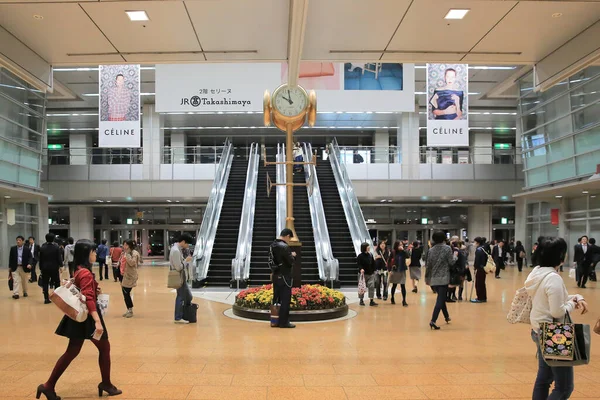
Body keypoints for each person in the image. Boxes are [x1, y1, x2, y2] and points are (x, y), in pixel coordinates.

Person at [37, 239, 121, 399]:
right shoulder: (85, 273)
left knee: (72, 350)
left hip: (78, 317)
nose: (95, 254)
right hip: (88, 317)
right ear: (86, 254)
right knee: (104, 348)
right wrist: (97, 320)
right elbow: (89, 299)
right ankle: (106, 383)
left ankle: (48, 386)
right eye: (93, 252)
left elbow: (85, 291)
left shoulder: (79, 270)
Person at [525, 236, 588, 400]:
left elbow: (558, 298)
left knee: (544, 379)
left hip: (539, 330)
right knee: (564, 387)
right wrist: (574, 304)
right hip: (555, 335)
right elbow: (558, 312)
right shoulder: (553, 278)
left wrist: (577, 297)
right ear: (560, 255)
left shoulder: (537, 273)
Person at [424, 231, 456, 330]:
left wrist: (427, 278)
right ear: (443, 239)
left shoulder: (431, 250)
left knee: (441, 298)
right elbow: (451, 262)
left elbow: (428, 265)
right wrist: (455, 256)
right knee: (440, 299)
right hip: (443, 278)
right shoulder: (447, 249)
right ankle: (433, 320)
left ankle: (446, 316)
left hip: (433, 278)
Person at [270, 228, 297, 328]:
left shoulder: (273, 245)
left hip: (275, 275)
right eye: (289, 239)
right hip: (285, 276)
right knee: (285, 299)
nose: (289, 241)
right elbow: (290, 262)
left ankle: (274, 320)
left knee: (276, 298)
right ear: (287, 236)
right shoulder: (284, 247)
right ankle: (283, 322)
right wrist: (293, 255)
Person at [170, 234, 194, 324]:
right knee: (181, 296)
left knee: (186, 296)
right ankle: (178, 317)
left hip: (181, 276)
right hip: (178, 276)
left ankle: (182, 314)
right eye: (187, 244)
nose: (188, 246)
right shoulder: (175, 250)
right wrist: (186, 261)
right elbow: (178, 267)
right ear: (183, 241)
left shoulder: (177, 249)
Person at [38, 233, 62, 304]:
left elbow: (40, 259)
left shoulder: (43, 247)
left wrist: (40, 267)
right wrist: (61, 265)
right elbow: (59, 257)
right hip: (54, 268)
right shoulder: (56, 247)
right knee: (57, 282)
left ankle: (46, 298)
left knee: (45, 283)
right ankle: (56, 297)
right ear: (53, 239)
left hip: (45, 268)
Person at [121, 239, 140, 318]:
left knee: (126, 292)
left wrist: (127, 255)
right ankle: (129, 309)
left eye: (125, 244)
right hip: (125, 275)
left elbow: (132, 263)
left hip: (130, 276)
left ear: (128, 245)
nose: (123, 246)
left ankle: (130, 310)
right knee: (125, 293)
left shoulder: (133, 253)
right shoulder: (125, 253)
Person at [9, 235, 32, 299]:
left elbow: (30, 257)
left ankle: (25, 291)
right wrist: (10, 267)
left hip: (24, 267)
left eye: (20, 240)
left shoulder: (26, 249)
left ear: (23, 241)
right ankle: (16, 293)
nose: (18, 241)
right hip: (15, 267)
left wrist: (30, 264)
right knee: (16, 280)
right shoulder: (13, 248)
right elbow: (10, 258)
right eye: (17, 240)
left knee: (24, 280)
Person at [357, 242, 377, 307]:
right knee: (362, 287)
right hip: (363, 275)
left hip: (371, 274)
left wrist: (374, 270)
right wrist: (361, 269)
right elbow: (359, 264)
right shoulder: (360, 256)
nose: (369, 248)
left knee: (371, 286)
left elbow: (373, 263)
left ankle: (371, 300)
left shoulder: (370, 255)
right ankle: (361, 300)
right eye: (367, 246)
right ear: (364, 248)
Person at [388, 241, 408, 306]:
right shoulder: (393, 252)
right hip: (395, 270)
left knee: (403, 285)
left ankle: (404, 300)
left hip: (402, 270)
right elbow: (389, 261)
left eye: (402, 245)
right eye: (399, 245)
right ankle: (392, 298)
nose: (401, 246)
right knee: (394, 285)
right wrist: (389, 270)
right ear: (396, 245)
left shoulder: (403, 252)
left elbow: (407, 256)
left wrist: (403, 250)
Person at [471, 237, 488, 303]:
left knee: (478, 284)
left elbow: (477, 260)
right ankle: (483, 297)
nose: (474, 243)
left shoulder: (478, 250)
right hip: (484, 268)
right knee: (482, 283)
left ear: (477, 242)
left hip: (480, 268)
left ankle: (480, 298)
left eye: (474, 242)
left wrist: (475, 267)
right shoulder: (484, 248)